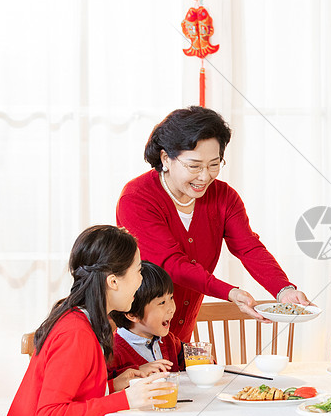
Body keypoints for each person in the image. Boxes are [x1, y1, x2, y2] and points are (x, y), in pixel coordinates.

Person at [0, 225, 172, 416]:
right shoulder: (76, 332)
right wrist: (125, 400)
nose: (141, 280)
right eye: (138, 271)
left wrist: (115, 385)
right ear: (113, 281)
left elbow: (71, 394)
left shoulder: (79, 319)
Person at [116, 106, 310, 343]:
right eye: (194, 166)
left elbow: (249, 247)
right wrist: (230, 292)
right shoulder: (137, 198)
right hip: (135, 333)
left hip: (180, 332)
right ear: (166, 158)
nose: (205, 176)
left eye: (214, 164)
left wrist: (284, 290)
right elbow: (172, 264)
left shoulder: (224, 197)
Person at [108, 261, 181, 380]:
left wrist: (206, 363)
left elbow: (193, 363)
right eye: (162, 302)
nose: (171, 308)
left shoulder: (169, 341)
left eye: (171, 298)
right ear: (133, 314)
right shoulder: (112, 353)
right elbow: (105, 389)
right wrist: (136, 373)